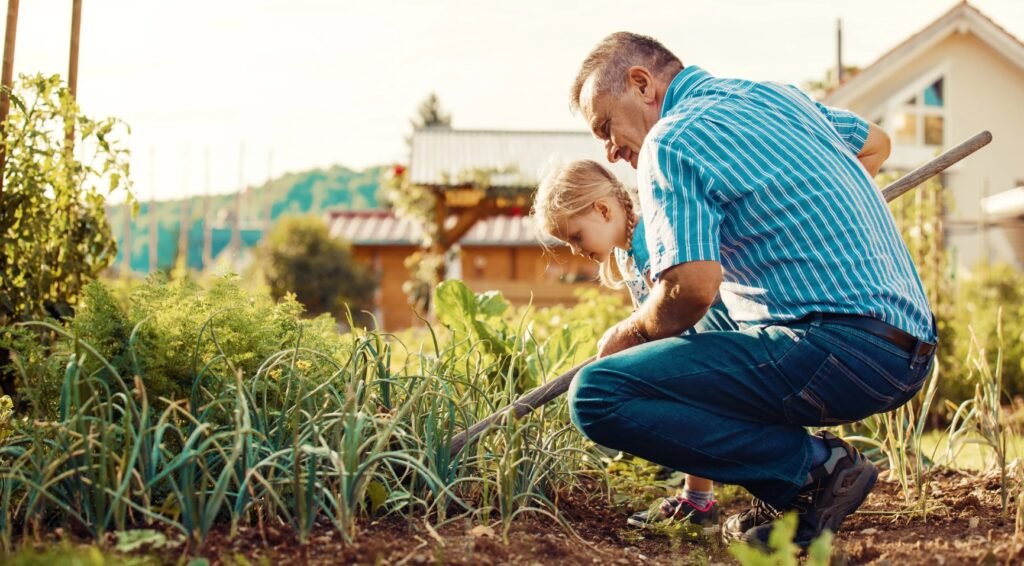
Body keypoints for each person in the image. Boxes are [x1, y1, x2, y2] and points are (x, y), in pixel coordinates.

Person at [565, 32, 937, 548]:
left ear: (641, 83)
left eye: (605, 125)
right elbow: (875, 141)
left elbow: (690, 289)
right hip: (908, 348)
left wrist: (627, 335)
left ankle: (814, 471)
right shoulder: (779, 96)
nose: (608, 147)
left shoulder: (671, 140)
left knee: (600, 393)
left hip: (838, 349)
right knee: (717, 330)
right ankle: (795, 489)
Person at [533, 159, 741, 533]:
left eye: (576, 237)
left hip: (718, 338)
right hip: (700, 342)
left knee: (682, 403)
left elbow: (681, 311)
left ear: (602, 209)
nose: (577, 250)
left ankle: (710, 499)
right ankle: (698, 502)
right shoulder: (629, 250)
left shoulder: (649, 242)